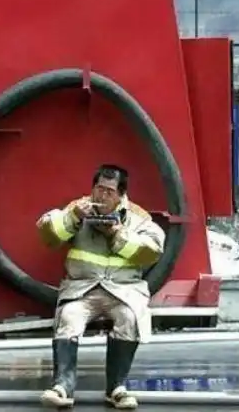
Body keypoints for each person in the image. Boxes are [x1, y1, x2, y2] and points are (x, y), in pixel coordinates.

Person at [37, 164, 166, 410]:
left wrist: (116, 234)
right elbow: (47, 233)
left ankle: (116, 388)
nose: (102, 196)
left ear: (121, 195)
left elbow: (152, 250)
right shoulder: (79, 207)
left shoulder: (137, 217)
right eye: (98, 189)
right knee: (68, 316)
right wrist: (73, 217)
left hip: (122, 291)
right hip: (82, 289)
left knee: (129, 318)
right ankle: (62, 386)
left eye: (109, 191)